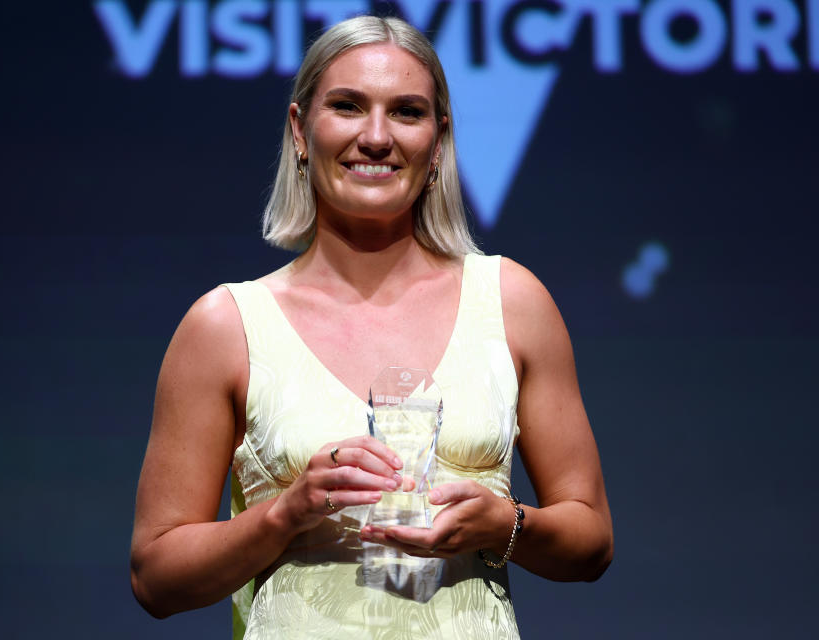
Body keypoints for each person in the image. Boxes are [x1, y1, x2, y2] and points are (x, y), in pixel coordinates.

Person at [130, 15, 612, 639]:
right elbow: (155, 578)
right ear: (301, 131)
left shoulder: (512, 301)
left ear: (438, 142)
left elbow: (592, 539)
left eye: (407, 112)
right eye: (349, 107)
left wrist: (506, 525)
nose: (377, 137)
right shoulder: (225, 326)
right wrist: (285, 514)